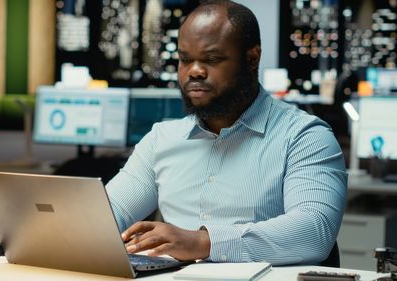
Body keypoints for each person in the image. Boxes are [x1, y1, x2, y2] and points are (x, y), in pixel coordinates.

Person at [105, 0, 347, 265]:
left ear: (252, 58)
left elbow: (314, 231)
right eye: (185, 60)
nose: (194, 71)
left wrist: (202, 243)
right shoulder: (161, 140)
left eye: (212, 59)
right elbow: (108, 214)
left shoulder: (304, 137)